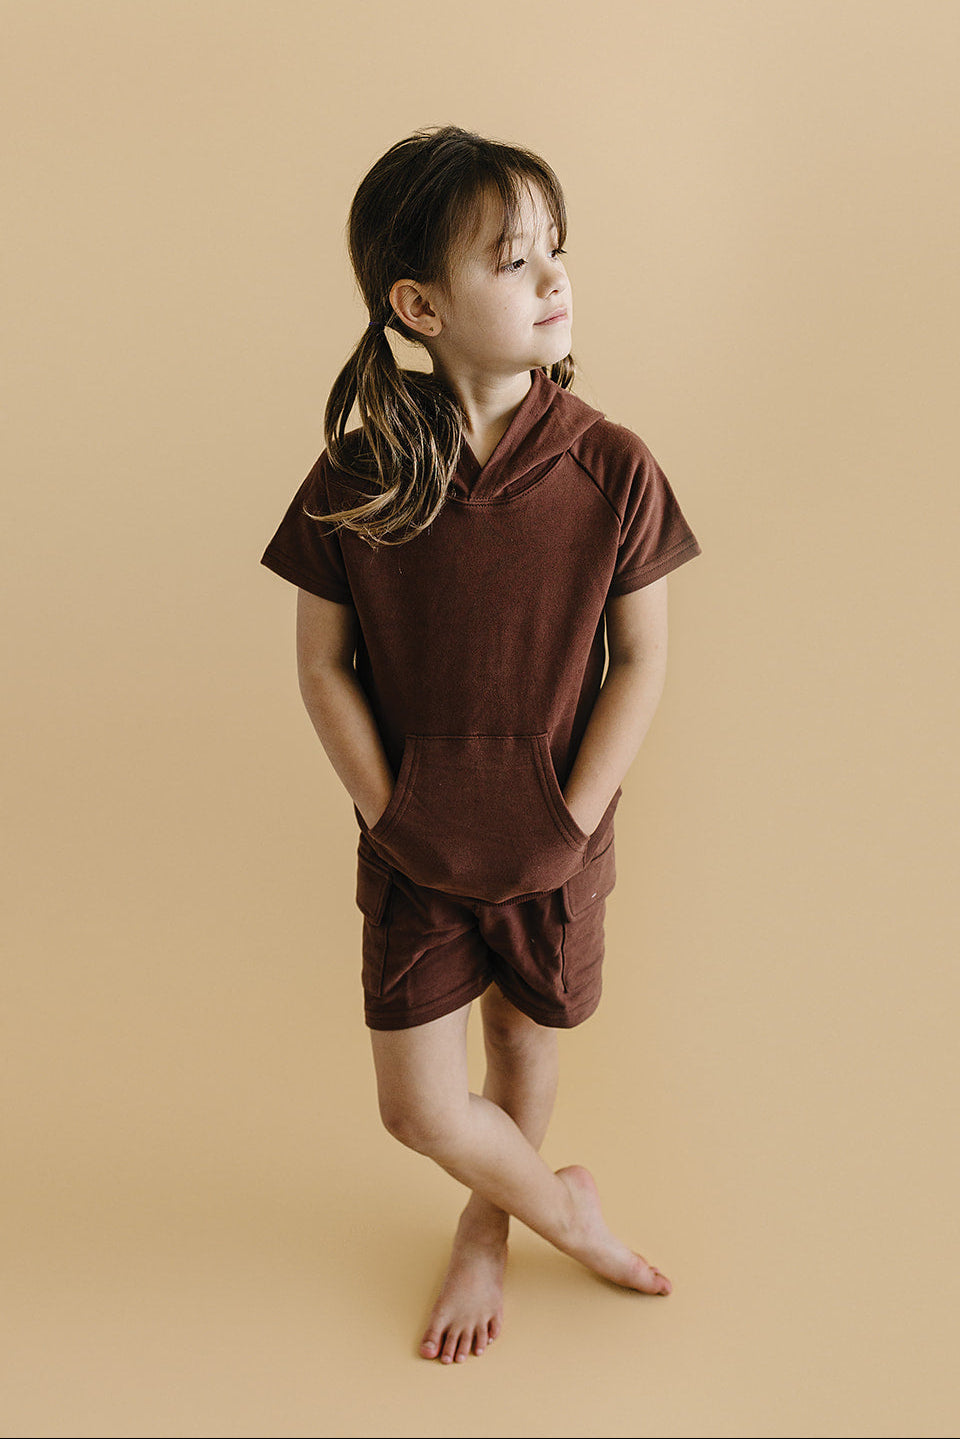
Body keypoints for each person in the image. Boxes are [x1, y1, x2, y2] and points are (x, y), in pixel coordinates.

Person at [259, 124, 702, 1365]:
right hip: (414, 843)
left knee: (520, 1042)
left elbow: (644, 658)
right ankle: (567, 1213)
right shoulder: (357, 474)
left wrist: (569, 821)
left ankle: (488, 1226)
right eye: (514, 260)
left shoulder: (613, 466)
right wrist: (390, 810)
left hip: (555, 840)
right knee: (417, 1106)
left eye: (558, 249)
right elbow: (321, 663)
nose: (555, 278)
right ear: (420, 306)